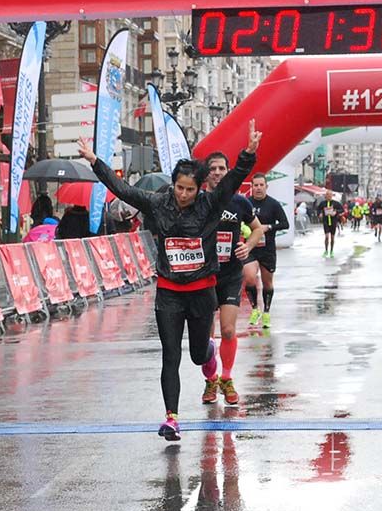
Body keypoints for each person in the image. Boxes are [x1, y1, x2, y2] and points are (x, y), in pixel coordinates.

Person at [77, 120, 261, 442]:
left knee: (197, 354)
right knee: (171, 355)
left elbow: (232, 182)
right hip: (170, 291)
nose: (184, 195)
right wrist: (96, 162)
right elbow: (124, 190)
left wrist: (247, 154)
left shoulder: (209, 204)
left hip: (202, 292)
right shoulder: (158, 203)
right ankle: (172, 418)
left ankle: (211, 356)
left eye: (190, 189)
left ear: (199, 188)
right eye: (179, 188)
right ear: (173, 184)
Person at [201, 152, 265, 406]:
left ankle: (226, 378)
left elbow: (258, 228)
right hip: (204, 274)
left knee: (228, 329)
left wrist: (248, 246)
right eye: (213, 168)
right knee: (206, 334)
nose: (217, 172)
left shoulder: (239, 202)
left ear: (228, 172)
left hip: (229, 274)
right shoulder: (198, 200)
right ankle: (210, 379)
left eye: (222, 168)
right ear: (206, 174)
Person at [243, 172, 289, 330]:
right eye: (255, 185)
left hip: (267, 248)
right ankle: (255, 309)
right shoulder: (245, 203)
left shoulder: (273, 204)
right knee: (249, 277)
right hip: (250, 248)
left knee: (267, 282)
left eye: (261, 185)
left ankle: (267, 311)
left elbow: (285, 224)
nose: (258, 188)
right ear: (252, 187)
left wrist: (268, 227)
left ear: (266, 187)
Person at [318, 191, 343, 258]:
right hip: (326, 221)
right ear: (325, 196)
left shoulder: (335, 203)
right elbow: (318, 209)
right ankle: (326, 250)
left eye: (330, 195)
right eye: (327, 195)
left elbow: (342, 209)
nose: (328, 196)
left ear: (332, 196)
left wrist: (336, 212)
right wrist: (320, 214)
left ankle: (331, 251)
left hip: (333, 221)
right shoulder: (322, 203)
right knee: (326, 236)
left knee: (332, 237)